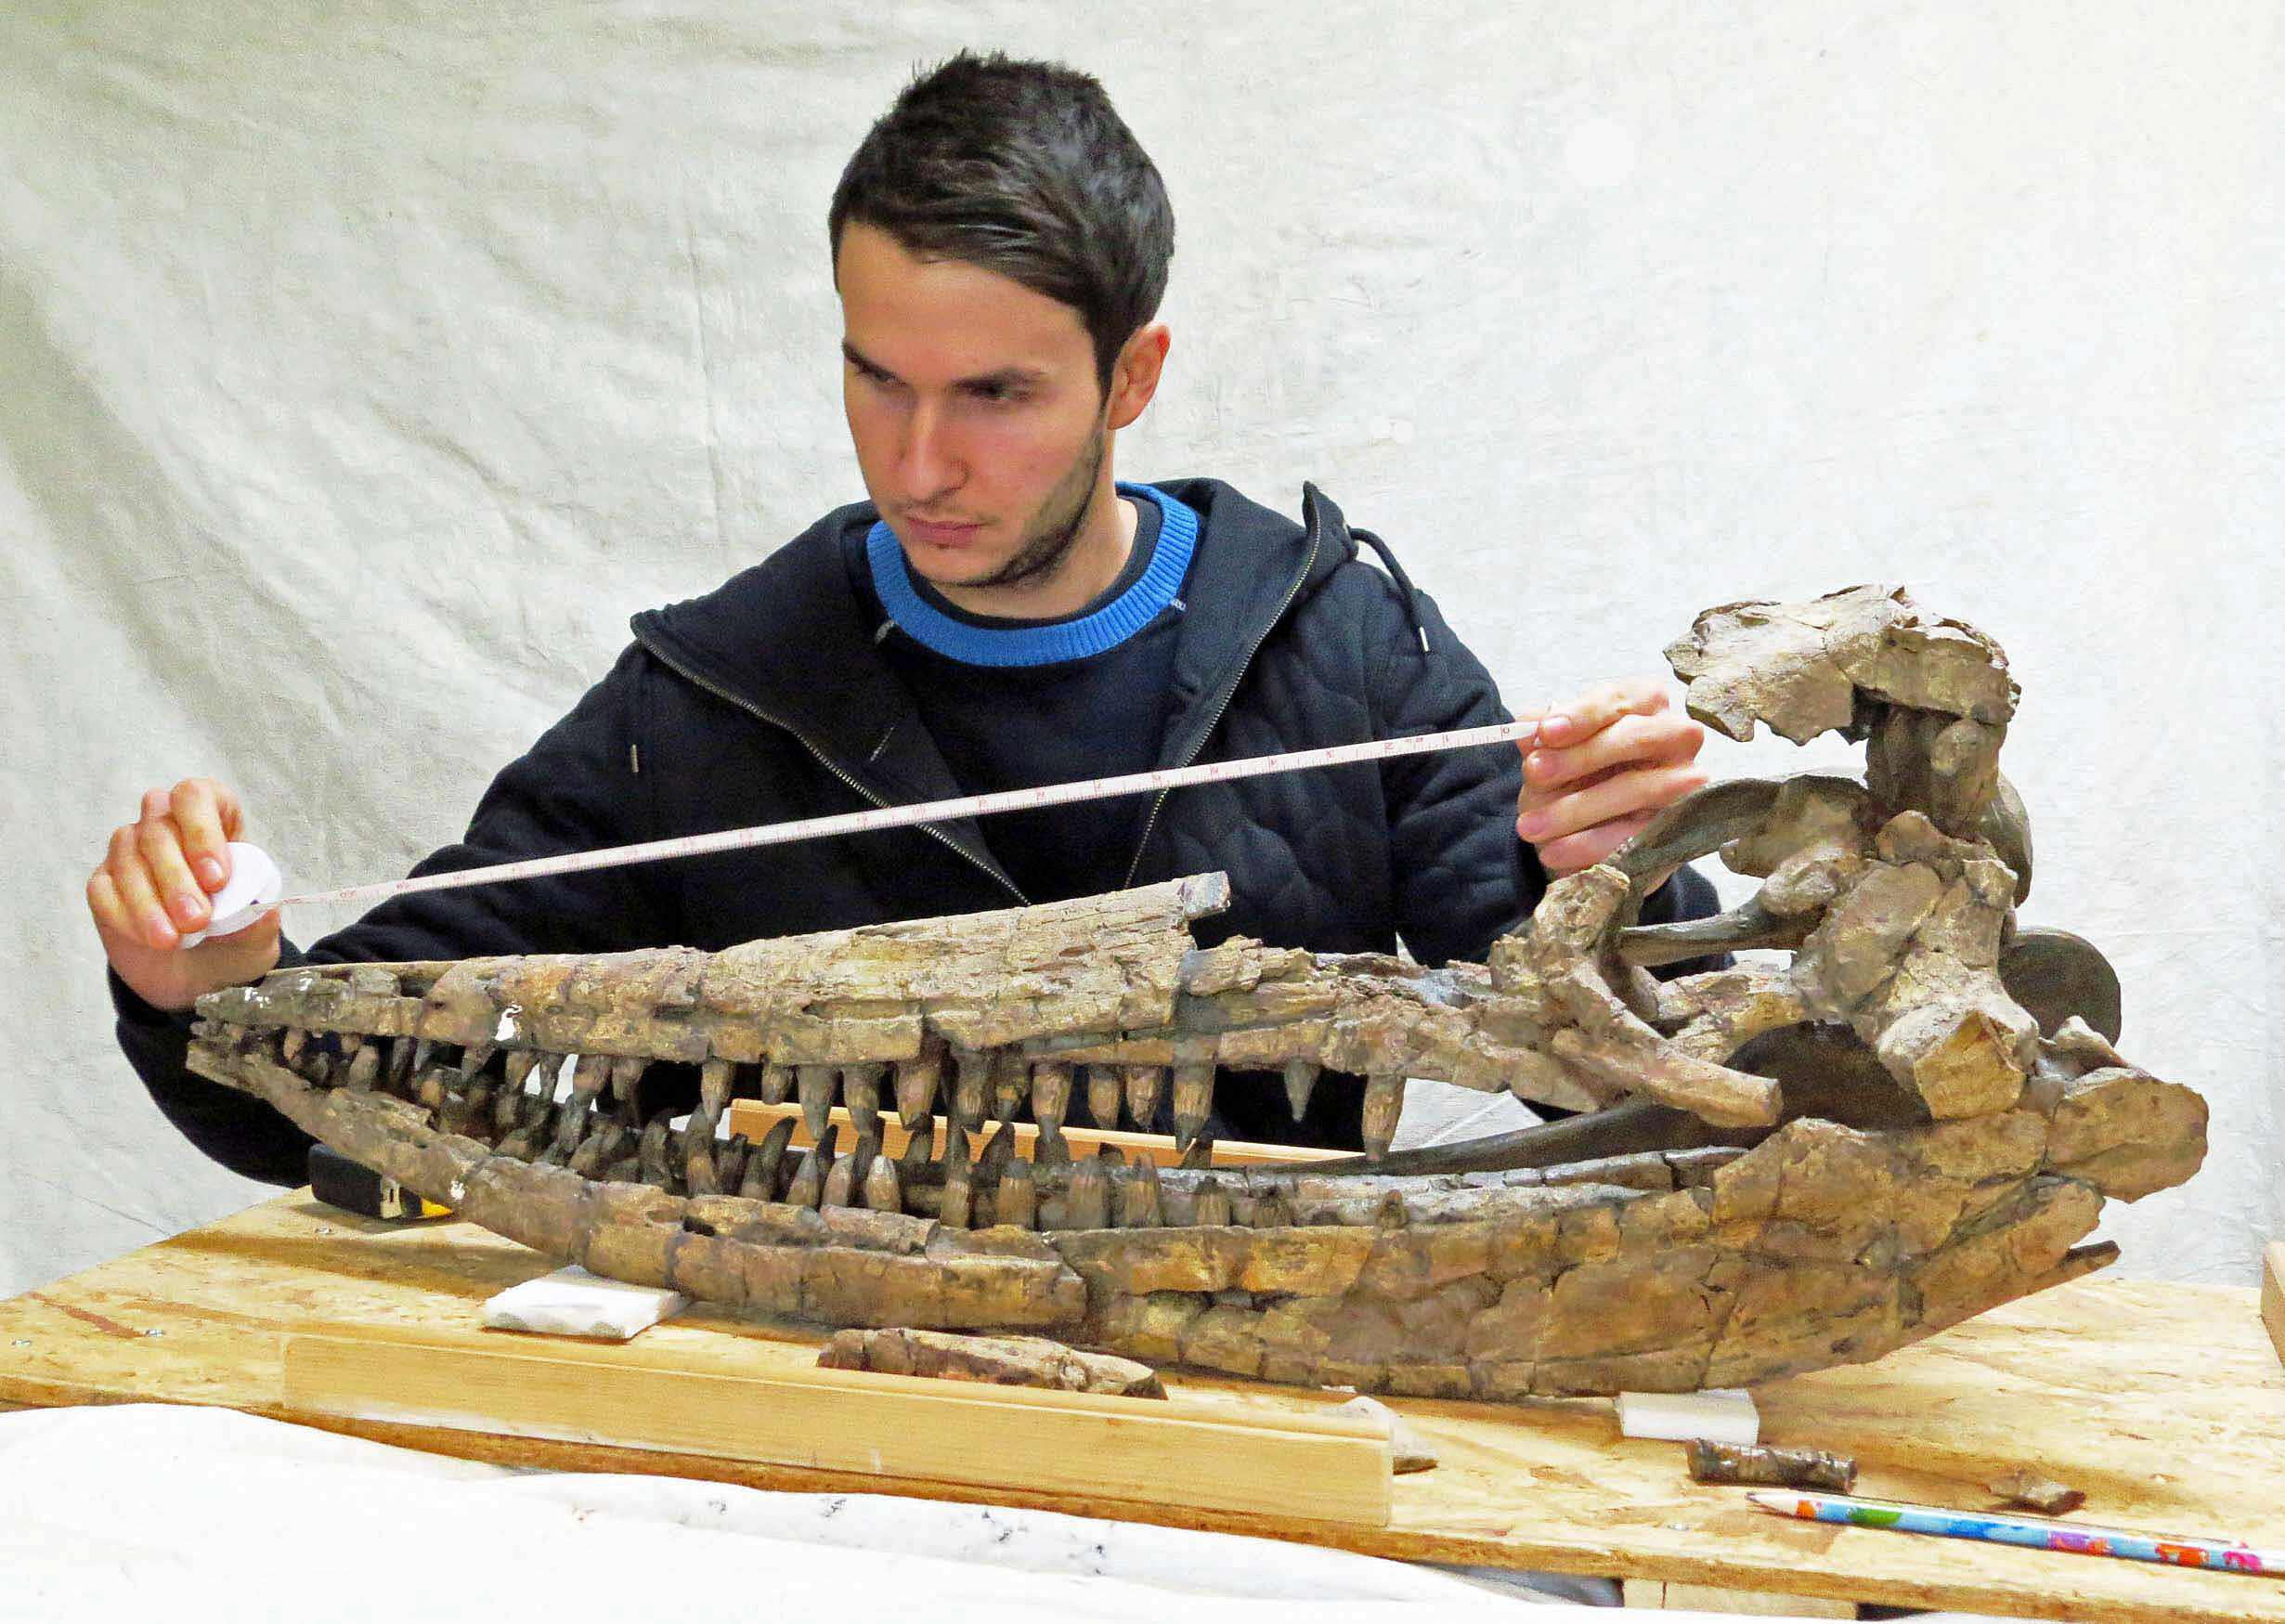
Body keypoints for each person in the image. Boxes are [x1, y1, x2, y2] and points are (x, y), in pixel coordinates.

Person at [88, 53, 1716, 1183]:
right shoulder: (710, 698)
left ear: (1130, 375)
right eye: (877, 377)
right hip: (796, 1468)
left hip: (1253, 1433)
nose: (920, 462)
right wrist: (209, 985)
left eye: (996, 395)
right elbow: (333, 1102)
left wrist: (1617, 861)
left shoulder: (1343, 653)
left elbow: (1651, 1071)